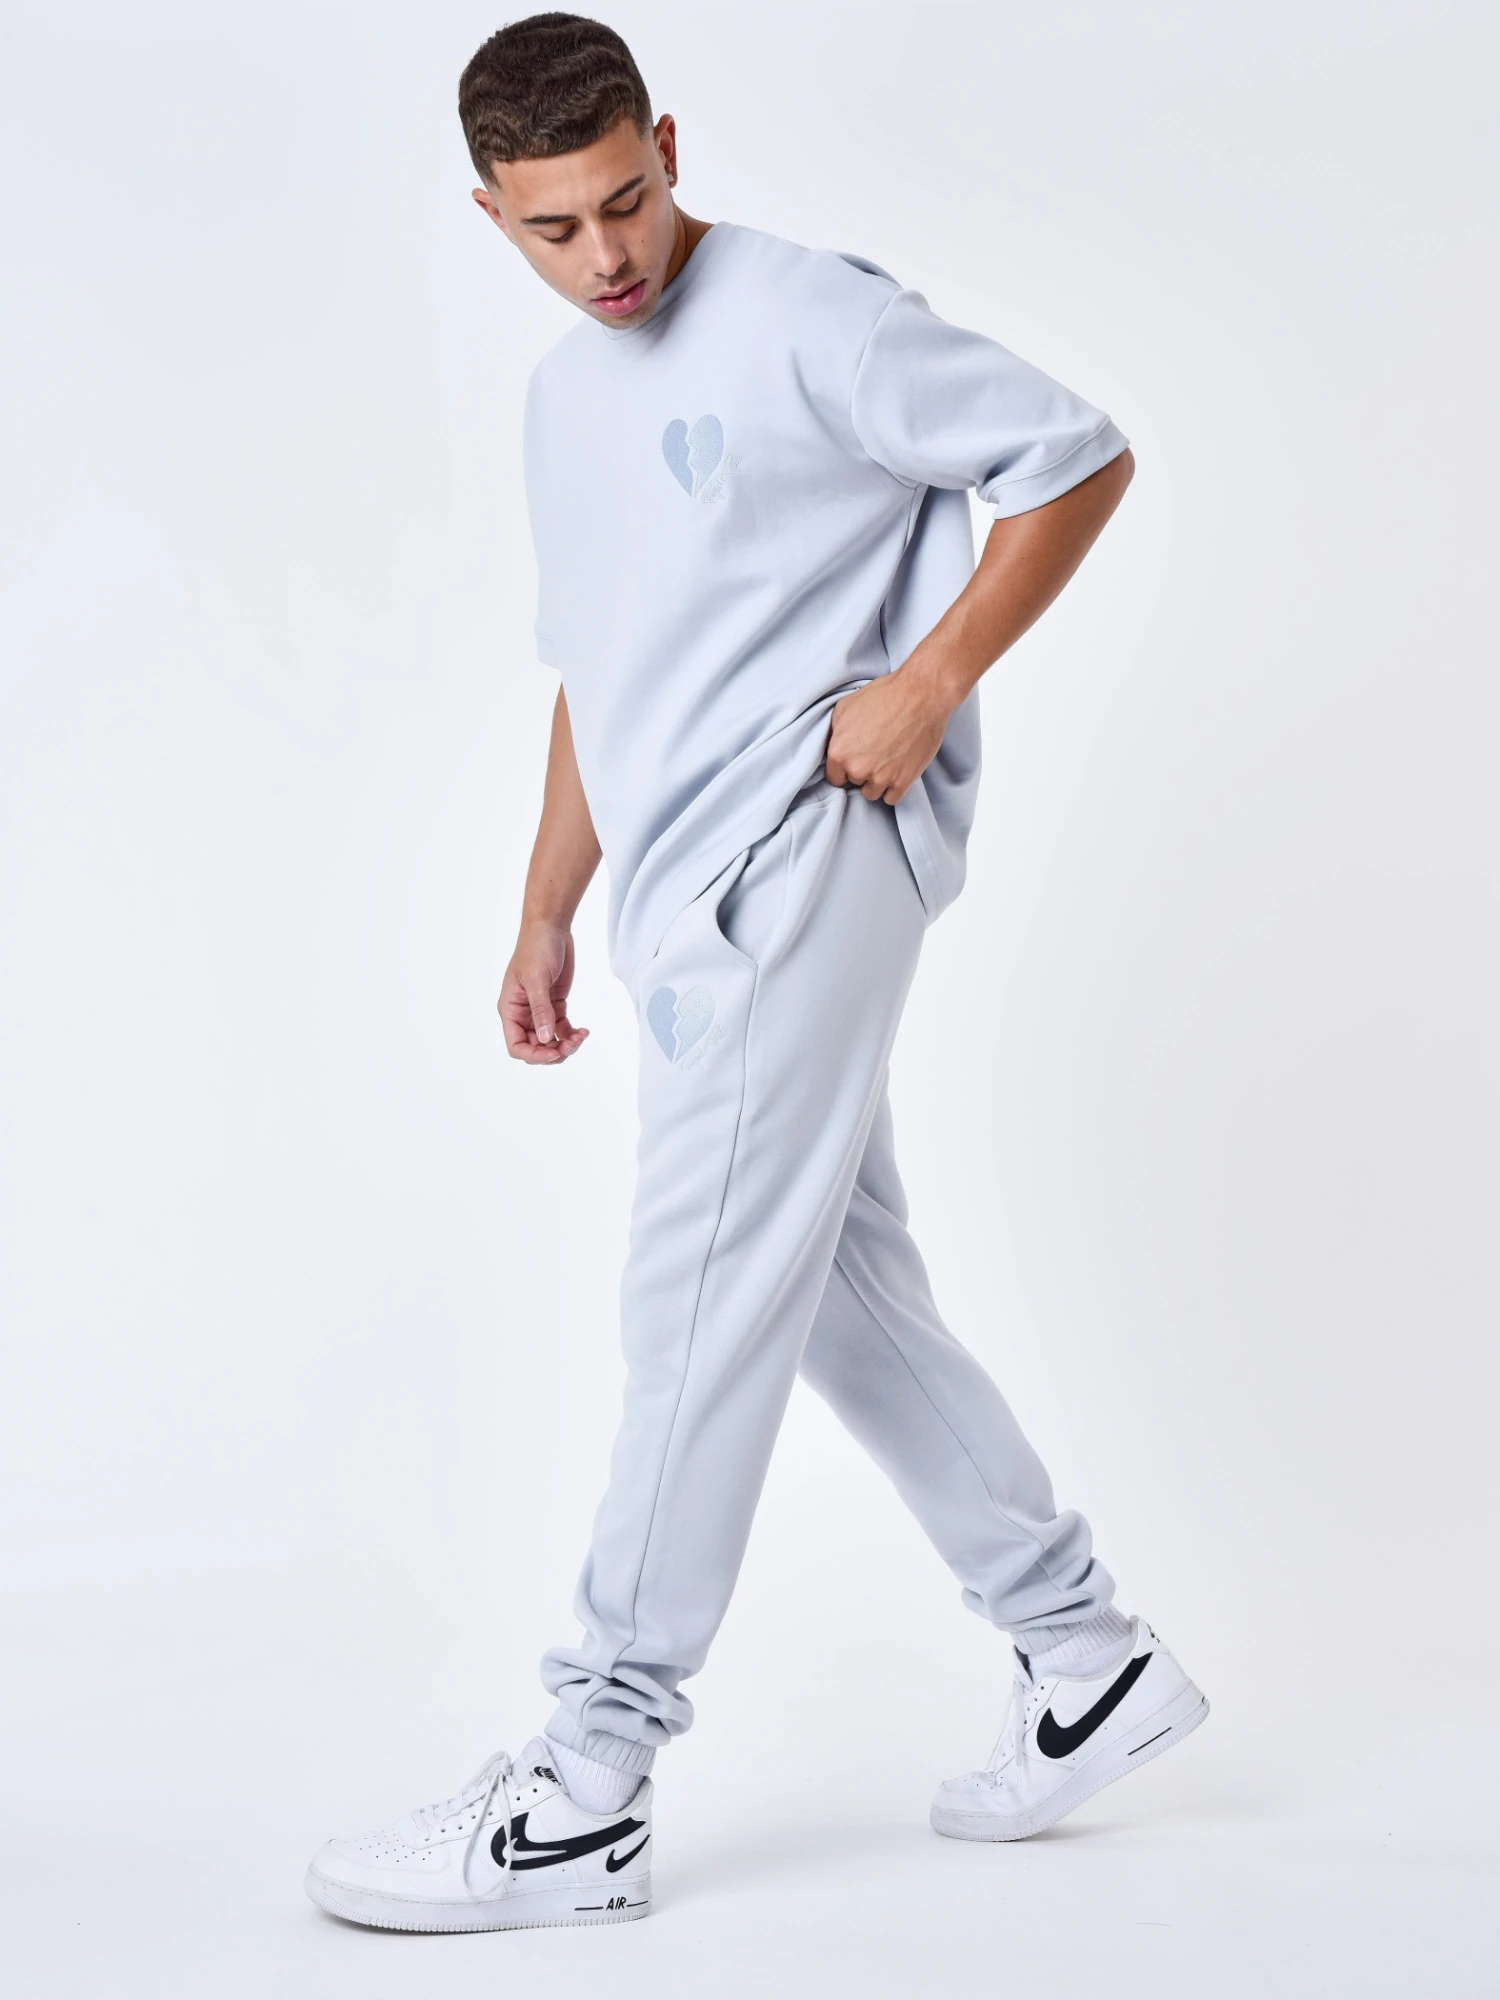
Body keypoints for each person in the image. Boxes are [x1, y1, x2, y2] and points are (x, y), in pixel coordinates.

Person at [304, 12, 1207, 1935]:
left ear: (668, 144)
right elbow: (603, 666)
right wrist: (547, 907)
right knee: (837, 1295)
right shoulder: (565, 400)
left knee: (698, 1306)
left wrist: (928, 682)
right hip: (672, 905)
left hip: (800, 862)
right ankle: (1087, 1657)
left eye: (626, 200)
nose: (607, 256)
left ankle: (586, 1783)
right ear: (491, 215)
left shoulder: (813, 317)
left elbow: (1075, 456)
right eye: (555, 228)